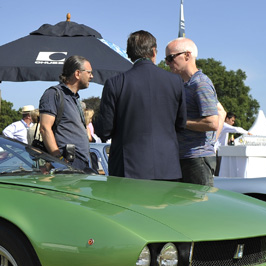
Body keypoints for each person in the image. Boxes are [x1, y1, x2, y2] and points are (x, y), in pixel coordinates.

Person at [94, 30, 186, 180]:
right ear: (154, 51)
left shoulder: (115, 83)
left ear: (129, 54)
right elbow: (181, 124)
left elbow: (104, 129)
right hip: (167, 167)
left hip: (128, 168)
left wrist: (95, 121)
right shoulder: (175, 82)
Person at [165, 37, 219, 186]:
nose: (167, 63)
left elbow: (212, 122)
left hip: (197, 158)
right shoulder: (187, 84)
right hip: (186, 157)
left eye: (170, 58)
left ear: (187, 55)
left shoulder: (200, 83)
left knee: (199, 207)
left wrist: (180, 122)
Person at [38, 55, 93, 171]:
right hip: (68, 163)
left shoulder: (74, 99)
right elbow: (44, 127)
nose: (91, 76)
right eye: (89, 72)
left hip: (80, 162)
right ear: (77, 73)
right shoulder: (53, 94)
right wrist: (59, 159)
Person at [214, 111, 249, 176]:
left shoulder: (223, 126)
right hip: (218, 152)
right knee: (218, 171)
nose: (233, 123)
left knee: (219, 171)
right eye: (232, 120)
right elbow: (236, 129)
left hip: (221, 151)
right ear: (227, 119)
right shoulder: (224, 125)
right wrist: (247, 133)